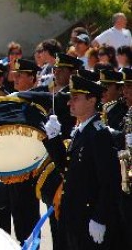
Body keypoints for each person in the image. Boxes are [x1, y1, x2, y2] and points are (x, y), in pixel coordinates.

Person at [43, 75, 124, 249]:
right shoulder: (81, 131)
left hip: (89, 218)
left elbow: (109, 181)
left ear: (91, 100)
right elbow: (68, 170)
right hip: (74, 217)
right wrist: (53, 140)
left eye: (75, 98)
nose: (69, 103)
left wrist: (100, 218)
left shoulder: (99, 134)